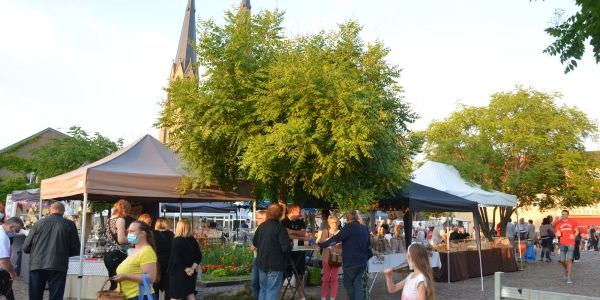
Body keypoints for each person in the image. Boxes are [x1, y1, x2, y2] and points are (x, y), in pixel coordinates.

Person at [22, 202, 80, 300]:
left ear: (50, 210)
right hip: (58, 264)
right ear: (63, 211)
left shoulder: (38, 223)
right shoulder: (70, 224)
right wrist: (64, 253)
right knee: (56, 296)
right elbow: (76, 249)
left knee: (35, 296)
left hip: (37, 263)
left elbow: (26, 247)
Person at [319, 211, 372, 300]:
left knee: (348, 284)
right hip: (362, 262)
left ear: (347, 219)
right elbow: (368, 246)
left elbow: (336, 238)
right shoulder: (364, 228)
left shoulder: (348, 227)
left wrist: (323, 245)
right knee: (358, 285)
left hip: (351, 262)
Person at [253, 204, 291, 300]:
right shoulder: (280, 228)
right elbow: (285, 247)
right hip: (275, 264)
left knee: (263, 289)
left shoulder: (261, 226)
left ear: (268, 213)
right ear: (280, 214)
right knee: (272, 290)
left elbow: (255, 243)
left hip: (261, 262)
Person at [113, 221, 158, 299]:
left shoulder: (147, 251)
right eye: (128, 232)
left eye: (132, 231)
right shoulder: (134, 251)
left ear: (143, 233)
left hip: (140, 296)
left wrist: (126, 276)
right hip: (130, 295)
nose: (128, 234)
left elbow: (151, 278)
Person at [281, 203, 310, 300]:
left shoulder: (301, 221)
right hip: (287, 254)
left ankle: (301, 297)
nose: (300, 212)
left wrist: (291, 232)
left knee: (300, 275)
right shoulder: (283, 222)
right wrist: (300, 235)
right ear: (292, 211)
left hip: (300, 252)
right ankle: (276, 296)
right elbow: (285, 236)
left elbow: (305, 235)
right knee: (283, 276)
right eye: (298, 210)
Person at [105, 199, 135, 290]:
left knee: (113, 283)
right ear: (125, 209)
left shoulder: (109, 219)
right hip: (117, 254)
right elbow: (121, 240)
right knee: (119, 285)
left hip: (108, 254)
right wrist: (133, 239)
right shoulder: (120, 220)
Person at [168, 219, 202, 300]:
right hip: (191, 273)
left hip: (178, 273)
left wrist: (187, 269)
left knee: (175, 296)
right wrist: (192, 269)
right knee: (190, 294)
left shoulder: (176, 241)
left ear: (178, 228)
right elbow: (199, 256)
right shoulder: (193, 240)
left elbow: (176, 258)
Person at [317, 215, 342, 300]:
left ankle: (332, 297)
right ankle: (323, 297)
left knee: (335, 278)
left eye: (335, 222)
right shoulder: (325, 231)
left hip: (336, 257)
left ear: (338, 223)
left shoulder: (340, 232)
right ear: (329, 223)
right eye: (332, 222)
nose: (334, 224)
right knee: (326, 278)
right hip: (326, 258)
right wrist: (332, 241)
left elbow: (342, 244)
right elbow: (322, 243)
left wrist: (330, 241)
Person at [0, 217, 24, 300]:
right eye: (16, 230)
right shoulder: (3, 237)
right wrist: (12, 272)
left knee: (9, 293)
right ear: (11, 226)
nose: (16, 233)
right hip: (2, 271)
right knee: (8, 292)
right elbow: (3, 260)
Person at [554, 209, 578, 284]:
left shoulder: (572, 222)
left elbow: (577, 231)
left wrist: (574, 235)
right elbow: (557, 232)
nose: (563, 215)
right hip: (562, 243)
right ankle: (566, 269)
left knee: (569, 260)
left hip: (571, 243)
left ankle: (569, 278)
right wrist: (557, 234)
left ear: (568, 215)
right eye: (562, 214)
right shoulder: (559, 223)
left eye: (564, 214)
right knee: (562, 260)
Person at [154, 217, 174, 300]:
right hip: (168, 262)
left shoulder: (152, 233)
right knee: (168, 286)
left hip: (155, 261)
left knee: (155, 286)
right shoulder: (171, 234)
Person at [251, 210, 267, 300]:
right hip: (256, 257)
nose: (257, 220)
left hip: (262, 259)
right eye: (257, 218)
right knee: (254, 282)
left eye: (259, 218)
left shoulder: (265, 229)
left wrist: (255, 246)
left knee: (261, 283)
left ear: (265, 219)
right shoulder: (257, 228)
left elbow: (256, 246)